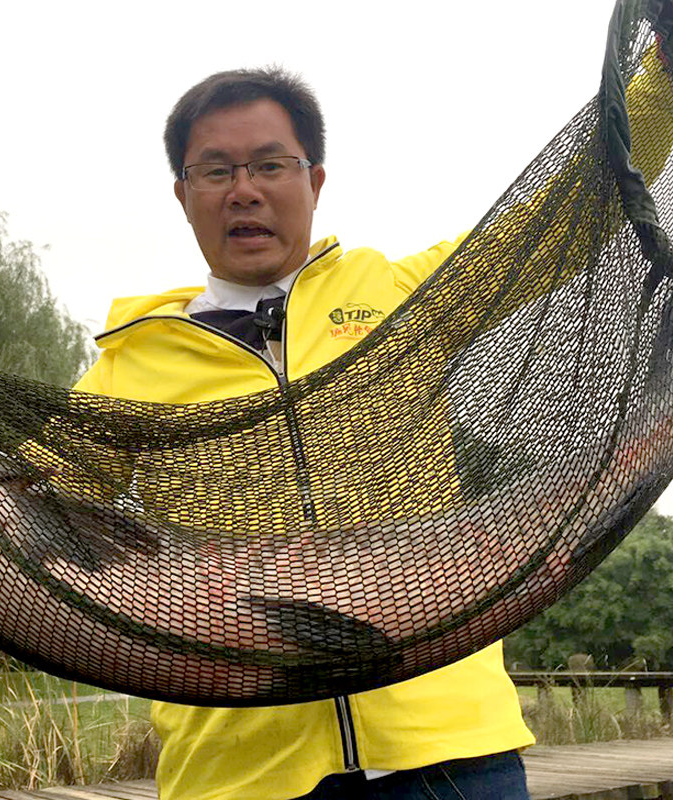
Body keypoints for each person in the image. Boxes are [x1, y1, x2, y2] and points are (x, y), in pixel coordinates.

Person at [73, 52, 673, 800]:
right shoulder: (127, 367)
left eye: (270, 164)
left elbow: (563, 216)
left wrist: (663, 79)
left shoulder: (401, 297)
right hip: (237, 778)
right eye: (215, 171)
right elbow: (11, 506)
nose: (244, 189)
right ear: (182, 194)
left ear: (314, 181)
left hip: (454, 759)